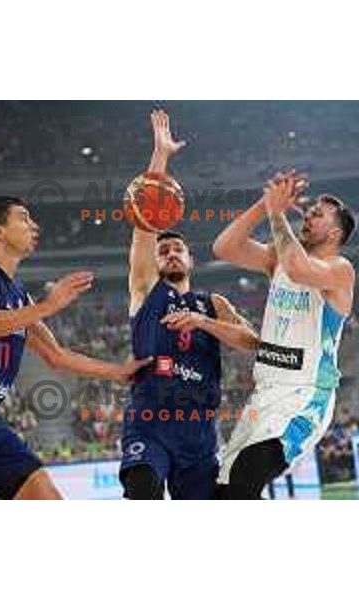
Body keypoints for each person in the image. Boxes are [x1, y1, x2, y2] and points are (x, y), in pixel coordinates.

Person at [0, 196, 148, 500]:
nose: (34, 225)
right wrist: (48, 306)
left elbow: (56, 355)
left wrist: (118, 372)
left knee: (48, 498)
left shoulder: (19, 296)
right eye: (24, 218)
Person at [119, 110, 259, 500]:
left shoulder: (213, 303)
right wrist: (160, 156)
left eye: (178, 248)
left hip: (199, 432)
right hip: (150, 423)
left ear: (191, 260)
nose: (170, 253)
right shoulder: (146, 289)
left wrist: (203, 322)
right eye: (163, 250)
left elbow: (251, 341)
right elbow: (144, 220)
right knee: (142, 491)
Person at [213, 171, 356, 499]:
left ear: (335, 232)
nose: (308, 214)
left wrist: (278, 213)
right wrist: (265, 206)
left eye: (317, 214)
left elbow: (299, 270)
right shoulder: (278, 258)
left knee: (246, 476)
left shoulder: (340, 269)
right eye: (308, 210)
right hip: (264, 393)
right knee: (224, 491)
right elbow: (224, 247)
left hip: (304, 396)